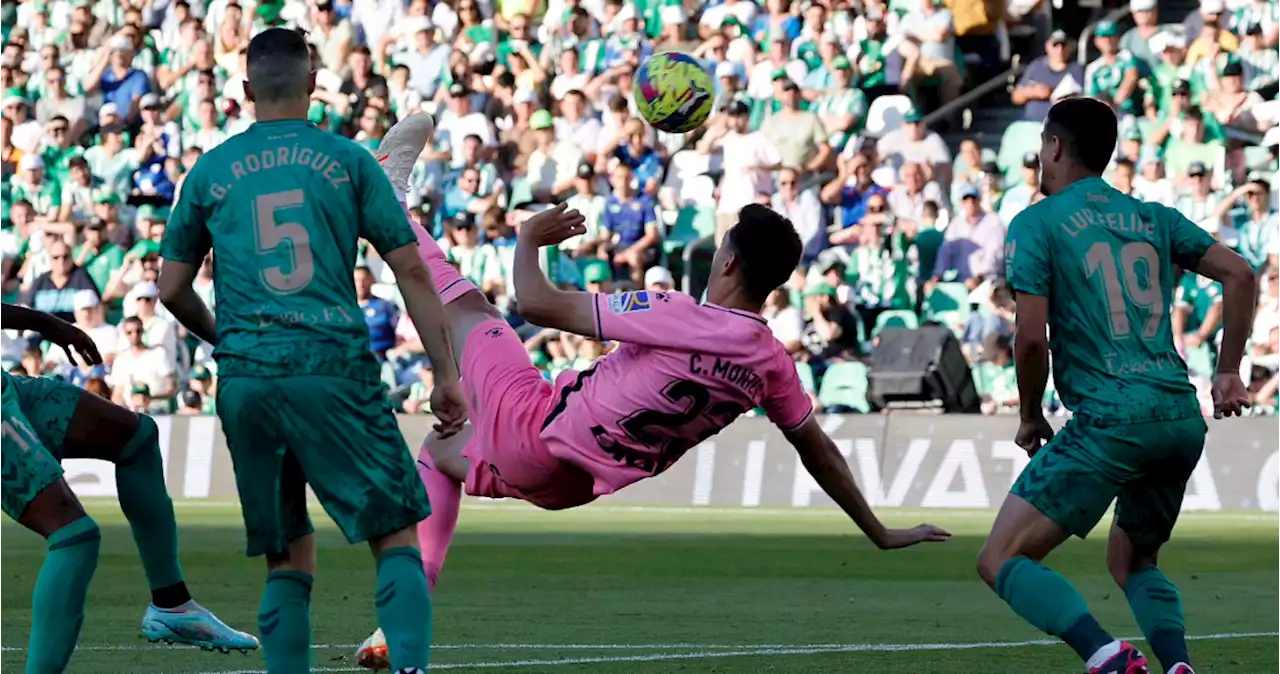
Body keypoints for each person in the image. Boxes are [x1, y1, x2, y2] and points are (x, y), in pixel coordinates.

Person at [355, 116, 950, 669]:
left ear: (730, 263)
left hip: (534, 426)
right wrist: (878, 530)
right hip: (568, 486)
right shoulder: (772, 365)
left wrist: (528, 240)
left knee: (468, 307)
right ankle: (401, 621)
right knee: (440, 452)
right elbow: (817, 449)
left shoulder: (677, 313)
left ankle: (387, 199)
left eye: (720, 245)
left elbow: (534, 303)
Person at [156, 29, 466, 674]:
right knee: (395, 534)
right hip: (332, 368)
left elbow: (171, 288)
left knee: (287, 554)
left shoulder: (210, 169)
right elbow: (410, 269)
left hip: (247, 380)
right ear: (314, 85)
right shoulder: (349, 161)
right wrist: (445, 372)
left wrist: (229, 340)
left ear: (245, 91)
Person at [977, 97, 1255, 674]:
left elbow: (1030, 339)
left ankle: (1107, 657)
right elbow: (1240, 274)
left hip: (1110, 418)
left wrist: (1030, 416)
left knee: (1000, 558)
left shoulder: (1037, 222)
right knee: (1133, 560)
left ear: (1054, 146)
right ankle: (1178, 665)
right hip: (1178, 416)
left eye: (1042, 143)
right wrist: (1228, 369)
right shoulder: (1154, 217)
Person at [0, 299, 260, 673]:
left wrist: (50, 324)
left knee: (137, 438)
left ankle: (172, 606)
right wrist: (49, 324)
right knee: (74, 537)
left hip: (7, 388)